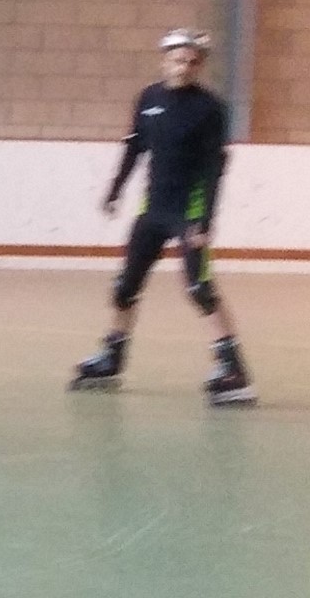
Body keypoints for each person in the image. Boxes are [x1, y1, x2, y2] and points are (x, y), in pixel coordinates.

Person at [72, 29, 255, 404]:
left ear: (199, 66)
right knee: (125, 286)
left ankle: (233, 370)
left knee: (199, 288)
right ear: (165, 60)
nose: (184, 67)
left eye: (192, 62)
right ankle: (112, 356)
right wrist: (115, 190)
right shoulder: (149, 99)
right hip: (153, 209)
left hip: (189, 212)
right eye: (178, 60)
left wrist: (205, 221)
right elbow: (135, 147)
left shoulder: (210, 108)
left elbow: (214, 169)